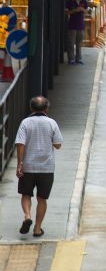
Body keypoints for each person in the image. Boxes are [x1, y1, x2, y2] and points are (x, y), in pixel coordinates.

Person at [15, 96, 63, 238]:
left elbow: (20, 144)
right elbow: (58, 145)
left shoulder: (25, 122)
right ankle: (37, 228)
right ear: (46, 108)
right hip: (46, 168)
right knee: (42, 199)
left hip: (28, 166)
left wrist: (20, 164)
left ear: (31, 108)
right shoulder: (52, 123)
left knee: (26, 194)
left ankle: (27, 215)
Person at [65, 0, 88, 65]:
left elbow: (87, 11)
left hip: (80, 25)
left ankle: (79, 58)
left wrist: (82, 9)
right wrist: (75, 10)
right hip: (72, 25)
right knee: (71, 43)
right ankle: (71, 59)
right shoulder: (70, 1)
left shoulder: (84, 1)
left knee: (79, 43)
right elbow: (66, 12)